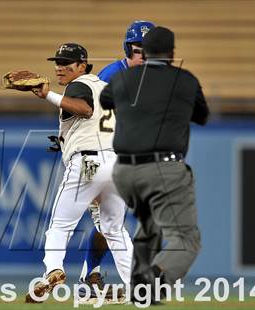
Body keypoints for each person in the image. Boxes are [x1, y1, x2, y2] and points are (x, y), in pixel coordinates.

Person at [99, 26, 209, 303]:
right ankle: (153, 280)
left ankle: (140, 283)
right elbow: (202, 116)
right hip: (164, 167)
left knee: (149, 226)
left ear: (143, 52)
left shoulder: (124, 78)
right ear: (172, 54)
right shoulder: (185, 80)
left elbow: (105, 99)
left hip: (124, 172)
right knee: (187, 240)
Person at [25, 43, 133, 303]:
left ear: (82, 66)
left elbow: (85, 109)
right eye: (57, 62)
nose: (60, 68)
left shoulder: (79, 85)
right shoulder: (106, 89)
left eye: (67, 63)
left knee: (60, 225)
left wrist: (48, 95)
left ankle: (53, 269)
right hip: (115, 163)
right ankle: (139, 288)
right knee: (114, 229)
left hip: (88, 163)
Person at [79, 20, 155, 295]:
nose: (143, 56)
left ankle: (91, 276)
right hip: (100, 155)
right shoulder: (110, 75)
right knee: (107, 221)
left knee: (110, 223)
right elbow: (87, 115)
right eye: (138, 50)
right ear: (127, 48)